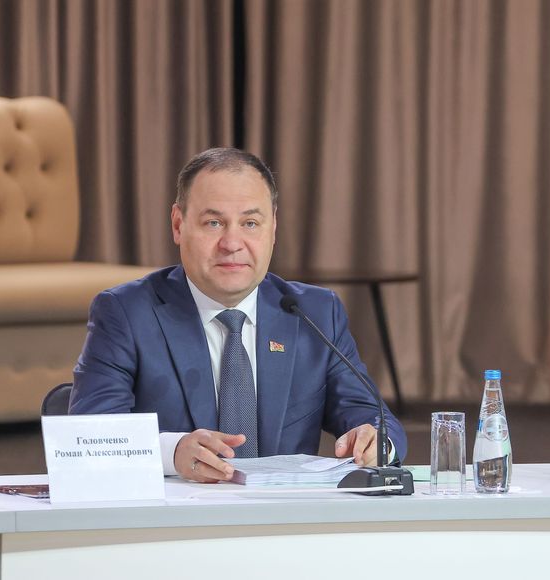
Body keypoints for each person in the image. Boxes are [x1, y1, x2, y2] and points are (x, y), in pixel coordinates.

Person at [69, 147, 407, 482]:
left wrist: (376, 442)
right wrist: (173, 452)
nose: (232, 243)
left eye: (250, 223)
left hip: (285, 513)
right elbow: (91, 435)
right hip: (178, 511)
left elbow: (373, 416)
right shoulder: (126, 313)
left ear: (273, 228)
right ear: (178, 224)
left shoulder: (314, 313)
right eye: (214, 223)